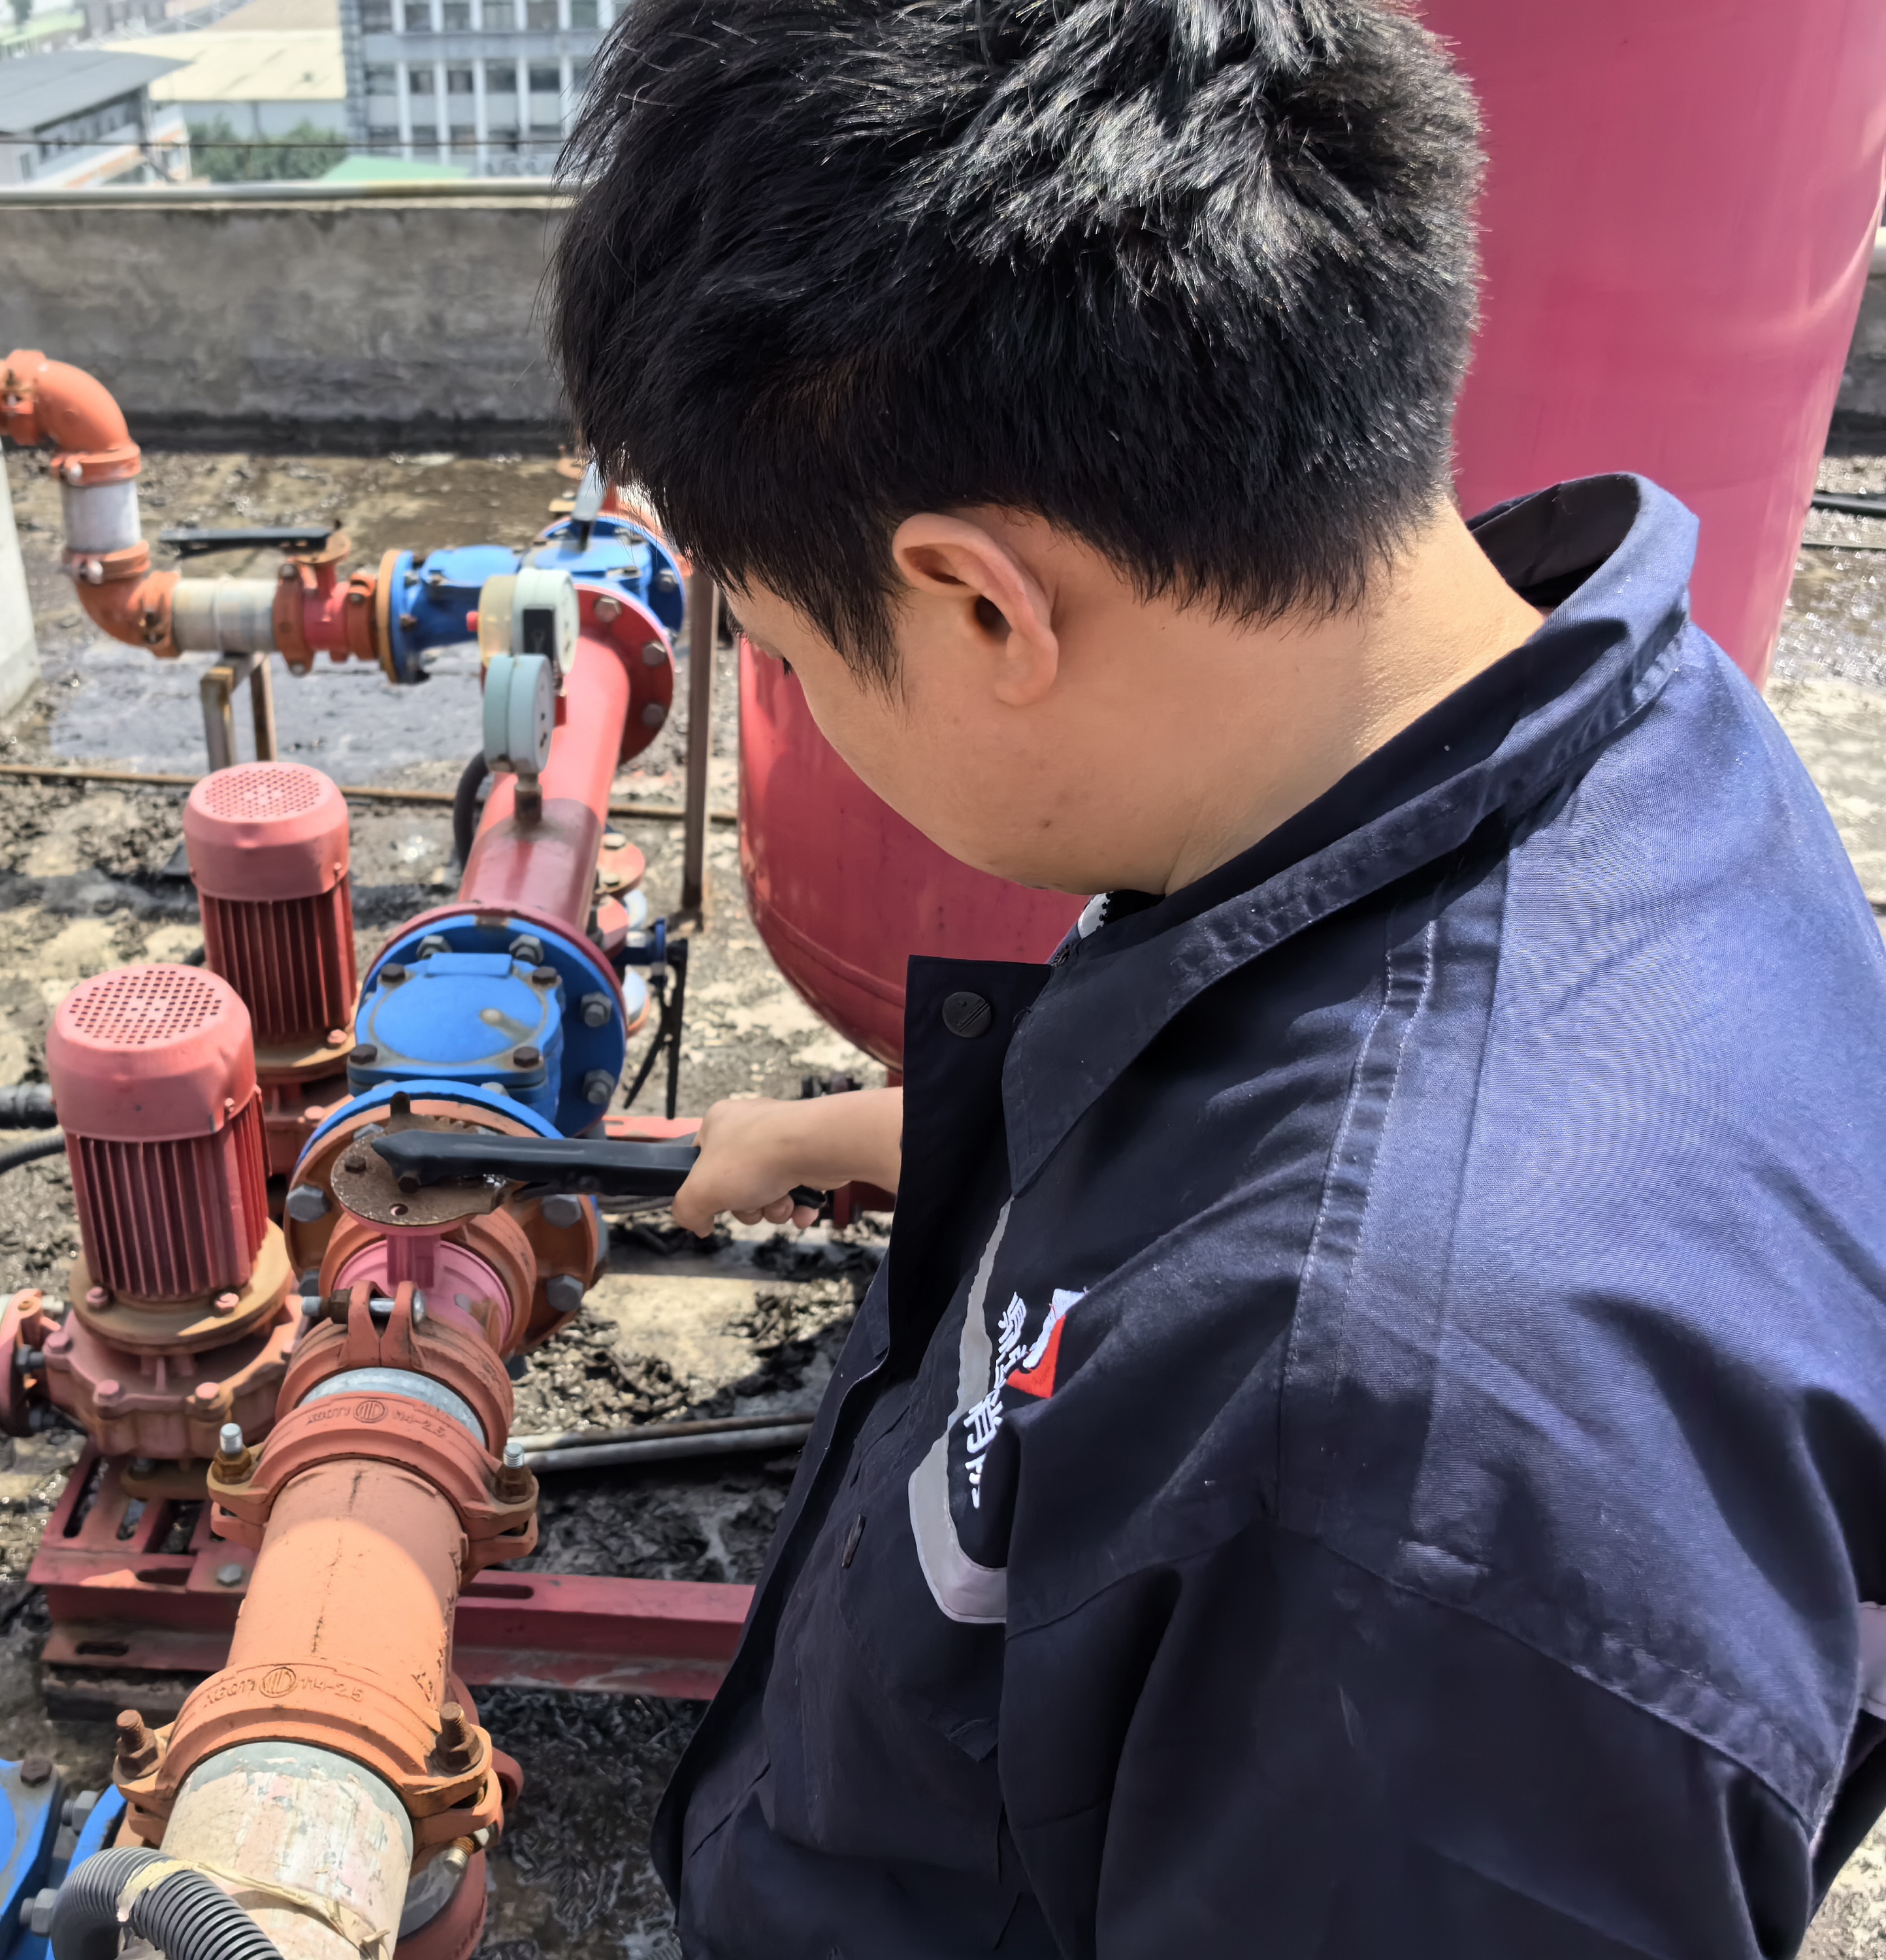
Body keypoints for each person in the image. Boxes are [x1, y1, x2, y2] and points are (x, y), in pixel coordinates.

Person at [547, 0, 1886, 1953]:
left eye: (787, 651)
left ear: (981, 603)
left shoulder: (1383, 1485)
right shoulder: (1597, 716)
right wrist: (910, 1132)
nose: (805, 701)